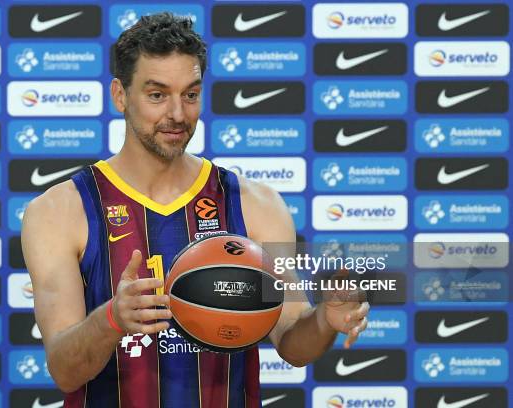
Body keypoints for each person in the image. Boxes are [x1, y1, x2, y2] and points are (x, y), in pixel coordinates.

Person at [21, 13, 369, 408]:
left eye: (190, 94)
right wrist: (112, 319)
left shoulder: (254, 204)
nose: (177, 114)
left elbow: (292, 341)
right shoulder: (59, 211)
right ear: (120, 95)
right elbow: (64, 370)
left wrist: (324, 319)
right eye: (157, 95)